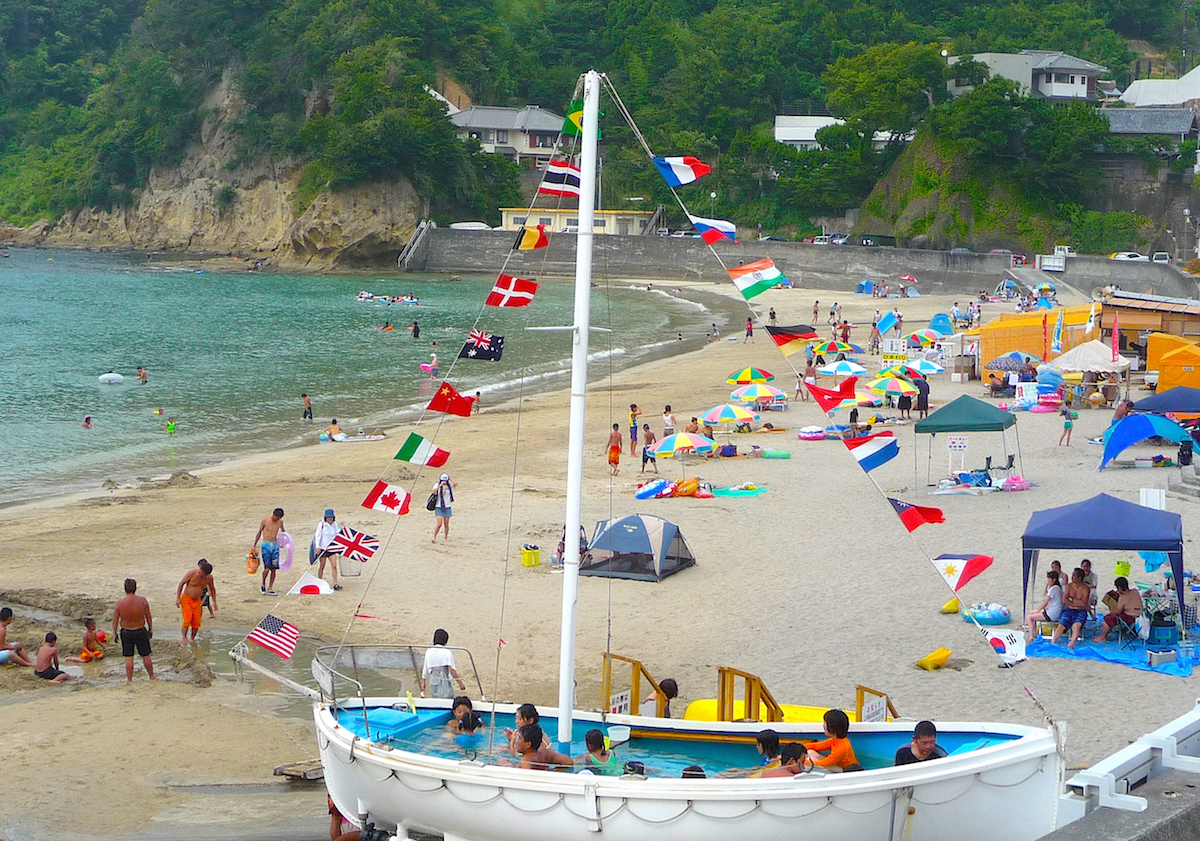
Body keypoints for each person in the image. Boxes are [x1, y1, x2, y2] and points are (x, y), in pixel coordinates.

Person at [113, 578, 155, 683]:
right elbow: (148, 617)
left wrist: (114, 633)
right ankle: (152, 676)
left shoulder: (119, 603)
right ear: (135, 588)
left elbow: (115, 621)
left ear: (125, 589)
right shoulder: (142, 601)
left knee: (128, 657)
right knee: (145, 655)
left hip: (126, 632)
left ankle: (129, 679)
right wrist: (150, 629)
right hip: (140, 630)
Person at [500, 723, 572, 771]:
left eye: (519, 738)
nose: (517, 741)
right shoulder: (546, 753)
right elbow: (569, 762)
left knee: (502, 761)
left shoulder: (525, 763)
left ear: (528, 744)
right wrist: (551, 773)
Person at [176, 559, 217, 642]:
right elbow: (181, 584)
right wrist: (177, 598)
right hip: (187, 598)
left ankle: (192, 638)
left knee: (196, 621)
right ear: (200, 569)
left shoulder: (209, 577)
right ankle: (184, 637)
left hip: (197, 600)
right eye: (202, 574)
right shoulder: (192, 573)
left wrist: (214, 601)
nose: (203, 576)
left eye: (205, 575)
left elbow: (212, 588)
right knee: (187, 619)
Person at [1093, 577, 1144, 643]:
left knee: (1108, 618)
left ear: (1119, 587)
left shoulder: (1122, 597)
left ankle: (1103, 637)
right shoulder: (1135, 591)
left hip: (1130, 618)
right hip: (1140, 616)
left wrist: (1111, 608)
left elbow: (1118, 612)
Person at [1051, 567, 1091, 649]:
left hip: (1080, 611)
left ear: (1079, 578)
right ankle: (1054, 640)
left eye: (1074, 576)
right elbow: (1064, 599)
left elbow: (1083, 603)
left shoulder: (1085, 589)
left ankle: (1072, 643)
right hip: (1069, 609)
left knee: (1076, 625)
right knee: (1062, 624)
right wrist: (1075, 603)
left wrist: (1072, 602)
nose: (1072, 577)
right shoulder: (1069, 586)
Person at [421, 628, 467, 697]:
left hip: (433, 682)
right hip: (444, 682)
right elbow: (452, 670)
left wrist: (423, 681)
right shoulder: (447, 652)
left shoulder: (429, 651)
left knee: (435, 699)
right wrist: (460, 683)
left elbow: (425, 669)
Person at [252, 507, 286, 595]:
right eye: (277, 517)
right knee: (267, 568)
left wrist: (283, 543)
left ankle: (270, 587)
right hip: (266, 544)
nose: (278, 519)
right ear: (274, 515)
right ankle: (263, 583)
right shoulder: (265, 521)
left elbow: (283, 533)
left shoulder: (280, 522)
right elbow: (259, 532)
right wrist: (254, 545)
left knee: (274, 568)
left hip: (275, 545)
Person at [1025, 570, 1064, 642]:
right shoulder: (1057, 588)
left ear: (1054, 579)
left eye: (1049, 579)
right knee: (1031, 613)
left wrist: (1038, 610)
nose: (1048, 581)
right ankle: (1034, 633)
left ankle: (1031, 637)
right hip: (1053, 611)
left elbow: (1045, 602)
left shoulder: (1054, 589)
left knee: (1029, 617)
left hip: (1052, 614)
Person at [314, 509, 343, 590]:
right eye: (328, 517)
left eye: (331, 517)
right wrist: (318, 547)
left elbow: (338, 533)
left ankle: (335, 583)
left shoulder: (334, 524)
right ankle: (319, 581)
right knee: (322, 566)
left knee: (334, 566)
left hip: (332, 548)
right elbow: (318, 536)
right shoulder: (321, 524)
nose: (329, 519)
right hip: (323, 548)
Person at [432, 473, 456, 542]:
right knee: (439, 524)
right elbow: (434, 491)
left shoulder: (449, 485)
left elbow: (455, 483)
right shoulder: (437, 484)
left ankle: (446, 537)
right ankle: (434, 537)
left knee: (446, 524)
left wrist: (449, 477)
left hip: (447, 506)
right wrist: (440, 485)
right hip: (439, 506)